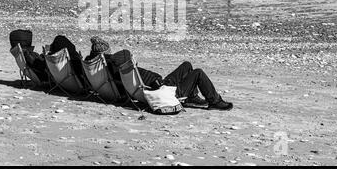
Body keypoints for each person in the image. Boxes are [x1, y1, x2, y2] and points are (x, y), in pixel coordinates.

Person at [86, 36, 233, 111]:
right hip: (161, 91)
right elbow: (122, 56)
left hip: (157, 86)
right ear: (106, 53)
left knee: (187, 65)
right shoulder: (115, 64)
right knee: (198, 73)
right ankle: (214, 101)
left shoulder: (100, 68)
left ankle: (191, 97)